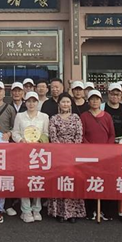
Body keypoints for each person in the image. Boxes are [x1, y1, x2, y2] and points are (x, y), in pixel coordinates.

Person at [11, 91, 50, 222]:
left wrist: (40, 141)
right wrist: (21, 140)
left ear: (38, 103)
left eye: (34, 101)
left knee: (37, 179)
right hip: (23, 152)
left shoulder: (44, 117)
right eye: (29, 101)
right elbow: (15, 132)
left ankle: (37, 209)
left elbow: (46, 133)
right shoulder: (20, 116)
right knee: (24, 180)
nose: (31, 104)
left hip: (39, 153)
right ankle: (26, 210)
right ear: (25, 102)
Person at [46, 94, 85, 223]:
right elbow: (53, 136)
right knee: (60, 182)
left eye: (68, 102)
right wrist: (61, 151)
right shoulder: (54, 119)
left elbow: (79, 135)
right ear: (59, 104)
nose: (65, 104)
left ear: (71, 104)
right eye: (63, 102)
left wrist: (72, 151)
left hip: (73, 155)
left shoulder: (76, 118)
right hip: (58, 155)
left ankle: (73, 212)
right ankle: (59, 212)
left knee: (72, 182)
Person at [80, 90, 115, 221]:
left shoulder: (107, 116)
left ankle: (105, 210)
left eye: (97, 99)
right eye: (92, 99)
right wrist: (90, 148)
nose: (95, 101)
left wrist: (106, 149)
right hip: (89, 154)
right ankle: (90, 210)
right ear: (88, 101)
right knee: (90, 180)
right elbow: (82, 135)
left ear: (101, 101)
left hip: (105, 154)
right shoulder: (84, 116)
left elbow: (112, 134)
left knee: (104, 180)